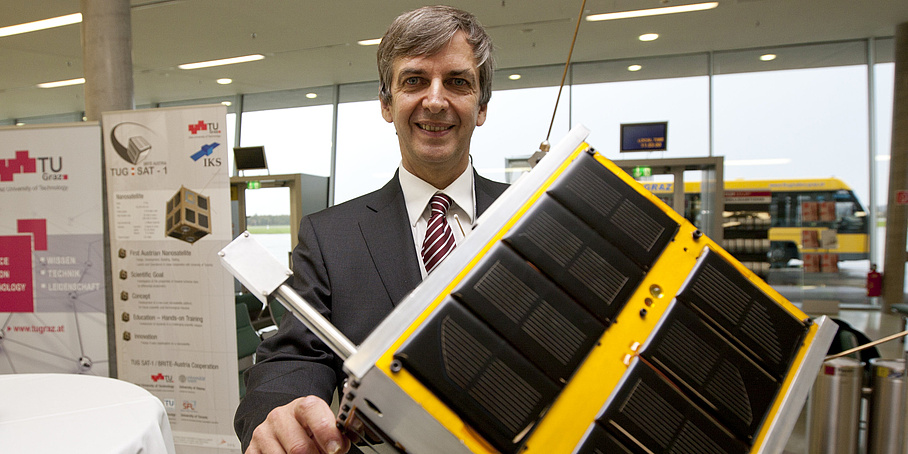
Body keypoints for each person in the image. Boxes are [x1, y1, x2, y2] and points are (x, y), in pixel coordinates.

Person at [234, 6, 508, 453]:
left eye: (457, 82)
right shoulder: (329, 237)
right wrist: (280, 418)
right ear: (386, 104)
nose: (435, 100)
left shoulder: (534, 218)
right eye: (414, 80)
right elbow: (294, 357)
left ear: (481, 107)